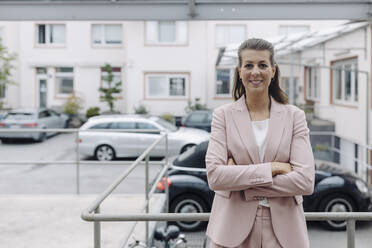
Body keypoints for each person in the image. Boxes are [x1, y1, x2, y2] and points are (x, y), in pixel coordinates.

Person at [205, 38, 315, 248]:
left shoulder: (295, 117)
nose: (255, 72)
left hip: (285, 233)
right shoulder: (223, 116)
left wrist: (241, 182)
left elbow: (305, 182)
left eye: (262, 65)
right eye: (249, 65)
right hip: (231, 231)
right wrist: (273, 168)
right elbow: (215, 176)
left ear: (273, 71)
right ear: (239, 71)